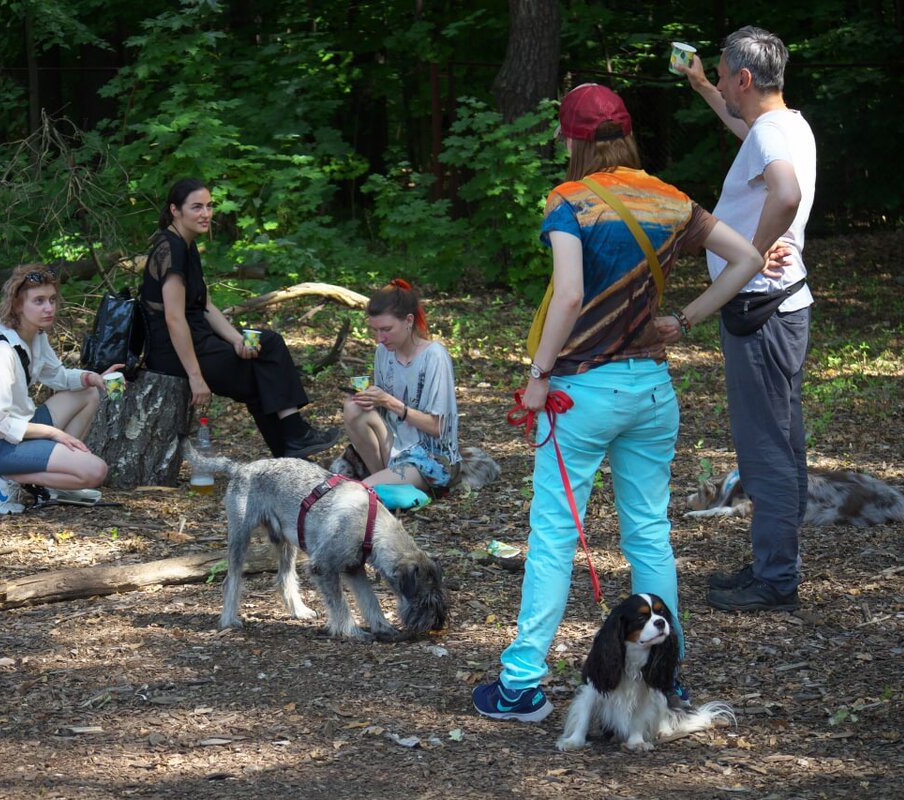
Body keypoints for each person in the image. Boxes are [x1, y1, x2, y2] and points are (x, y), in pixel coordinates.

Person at [472, 83, 765, 723]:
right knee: (650, 534)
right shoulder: (670, 200)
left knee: (554, 536)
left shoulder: (569, 202)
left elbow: (570, 295)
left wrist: (538, 375)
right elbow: (747, 257)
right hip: (653, 391)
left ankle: (521, 684)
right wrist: (684, 321)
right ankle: (666, 678)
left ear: (571, 139)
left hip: (581, 392)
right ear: (628, 133)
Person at [677, 26, 816, 612]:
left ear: (746, 78)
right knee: (782, 439)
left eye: (727, 79)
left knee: (766, 448)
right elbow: (744, 130)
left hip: (759, 308)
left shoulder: (771, 134)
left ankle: (777, 577)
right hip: (783, 306)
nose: (728, 96)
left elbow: (783, 193)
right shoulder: (784, 125)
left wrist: (754, 251)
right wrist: (704, 86)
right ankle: (773, 558)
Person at [140, 177, 339, 459]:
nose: (206, 214)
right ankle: (294, 443)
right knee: (260, 377)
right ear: (175, 210)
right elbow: (174, 318)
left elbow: (204, 304)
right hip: (173, 352)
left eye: (209, 206)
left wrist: (236, 340)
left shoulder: (186, 244)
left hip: (198, 337)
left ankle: (294, 447)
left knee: (266, 344)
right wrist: (196, 377)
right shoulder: (170, 249)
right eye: (196, 207)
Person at [0, 266, 116, 514]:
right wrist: (54, 433)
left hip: (20, 428)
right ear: (17, 305)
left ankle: (59, 481)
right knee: (96, 471)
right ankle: (6, 477)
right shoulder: (1, 353)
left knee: (88, 393)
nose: (49, 308)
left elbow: (57, 376)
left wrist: (93, 378)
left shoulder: (35, 336)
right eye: (39, 301)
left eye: (52, 300)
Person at [341, 279, 461, 492]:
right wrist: (370, 400)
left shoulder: (434, 356)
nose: (380, 338)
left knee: (358, 490)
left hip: (431, 458)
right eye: (375, 330)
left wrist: (388, 401)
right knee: (352, 407)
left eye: (386, 329)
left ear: (408, 320)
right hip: (395, 448)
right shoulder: (383, 352)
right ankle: (381, 481)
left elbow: (438, 428)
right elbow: (381, 412)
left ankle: (377, 485)